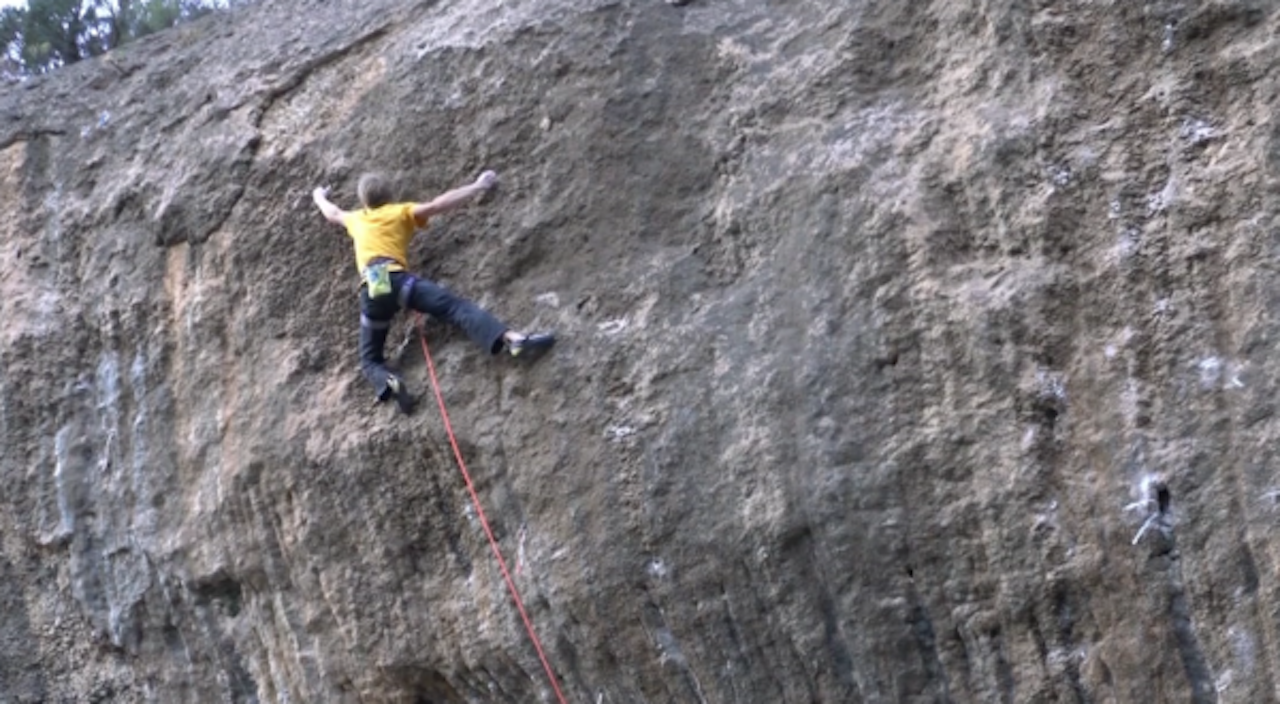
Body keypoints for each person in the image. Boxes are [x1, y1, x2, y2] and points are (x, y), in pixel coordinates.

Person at [312, 170, 554, 415]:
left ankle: (388, 381)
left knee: (369, 359)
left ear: (364, 200)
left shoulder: (355, 219)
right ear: (390, 195)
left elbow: (332, 213)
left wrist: (318, 195)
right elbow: (439, 204)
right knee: (455, 308)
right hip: (400, 282)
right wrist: (478, 186)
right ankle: (512, 339)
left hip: (372, 290)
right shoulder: (400, 211)